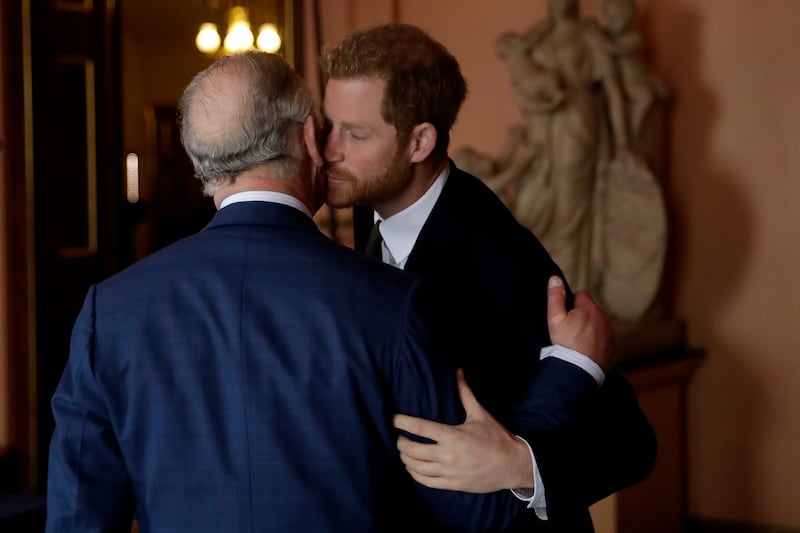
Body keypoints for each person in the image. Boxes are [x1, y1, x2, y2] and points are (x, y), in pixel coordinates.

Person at [45, 50, 617, 533]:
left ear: (201, 165)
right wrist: (568, 373)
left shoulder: (109, 310)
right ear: (307, 140)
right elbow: (482, 511)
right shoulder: (389, 303)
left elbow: (76, 518)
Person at [319, 22, 656, 531]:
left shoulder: (498, 257)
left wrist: (520, 464)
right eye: (330, 125)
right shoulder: (373, 200)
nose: (329, 150)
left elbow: (631, 441)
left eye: (357, 133)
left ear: (420, 142)